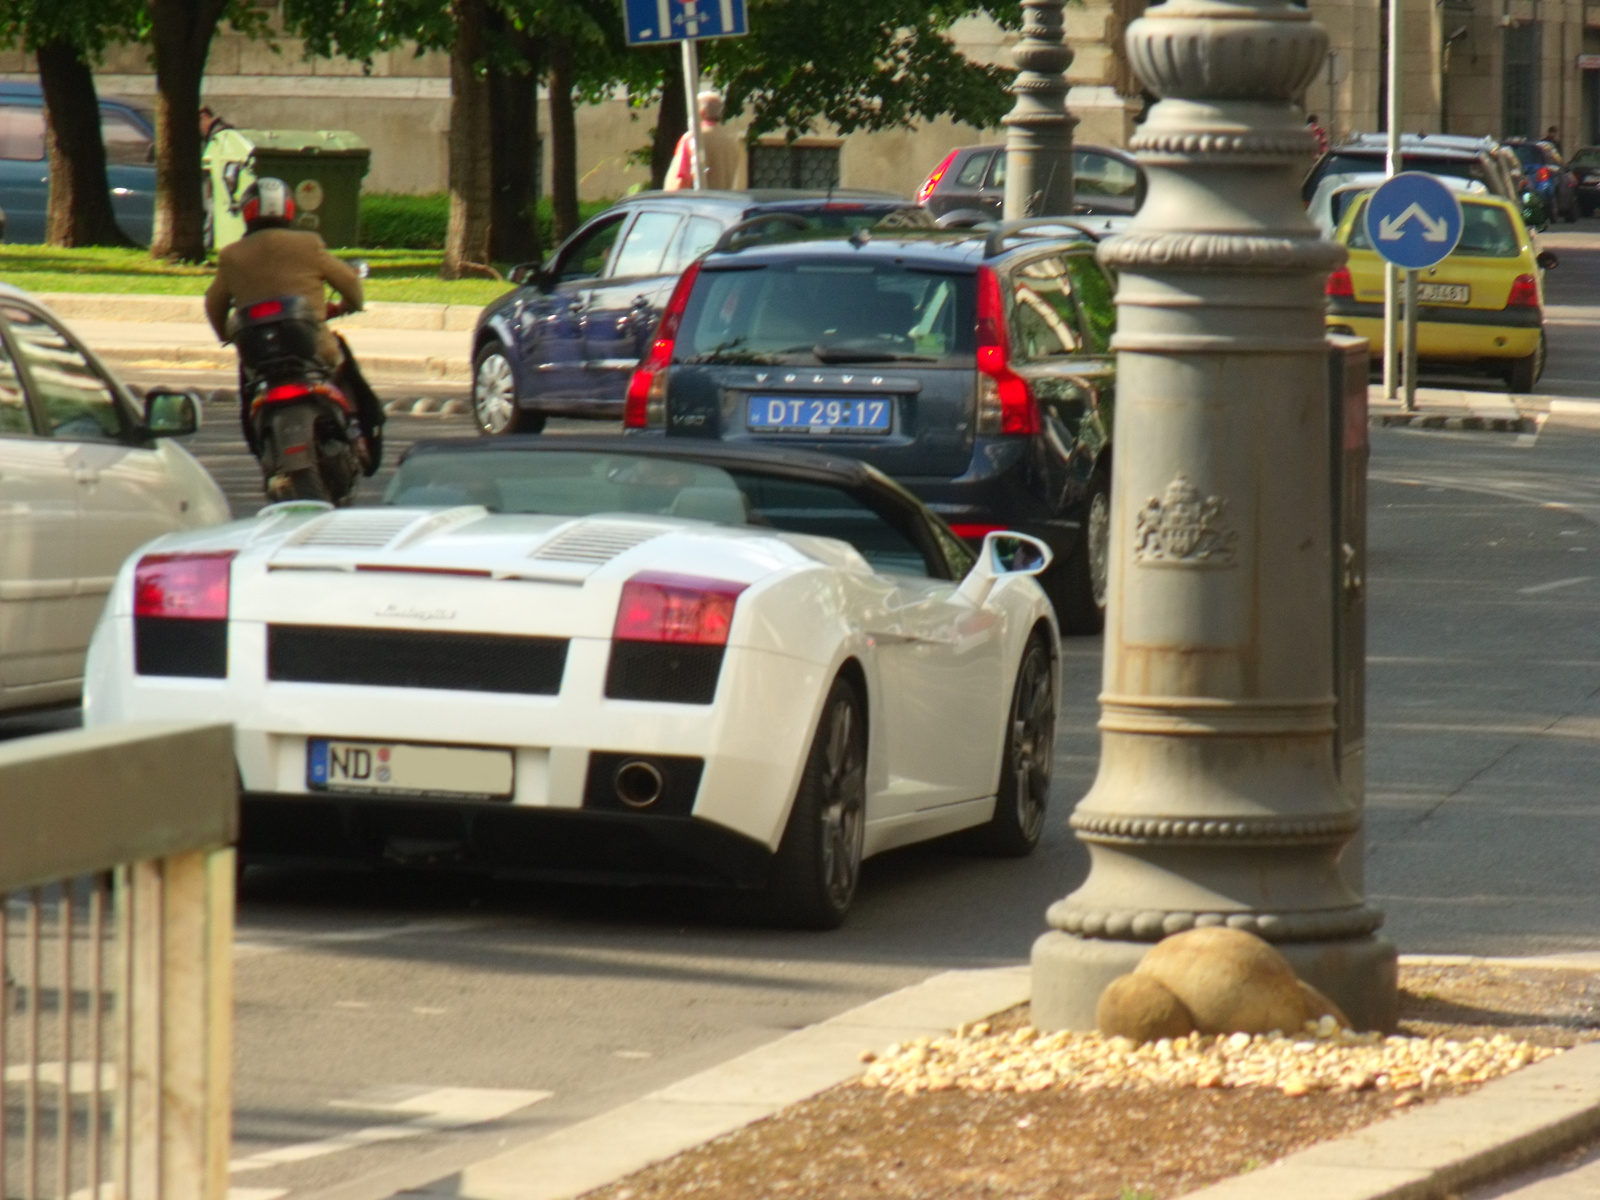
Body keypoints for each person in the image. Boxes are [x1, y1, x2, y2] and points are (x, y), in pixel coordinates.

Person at [203, 177, 385, 471]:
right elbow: (349, 280)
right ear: (288, 210)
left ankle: (262, 446)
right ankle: (359, 433)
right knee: (346, 371)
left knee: (249, 393)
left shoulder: (232, 255)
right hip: (313, 351)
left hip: (258, 356)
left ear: (247, 212)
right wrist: (348, 306)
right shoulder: (308, 244)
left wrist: (227, 335)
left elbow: (214, 305)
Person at [665, 91, 745, 191]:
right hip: (723, 202)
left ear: (701, 112)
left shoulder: (693, 138)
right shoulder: (733, 141)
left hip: (696, 203)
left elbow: (683, 181)